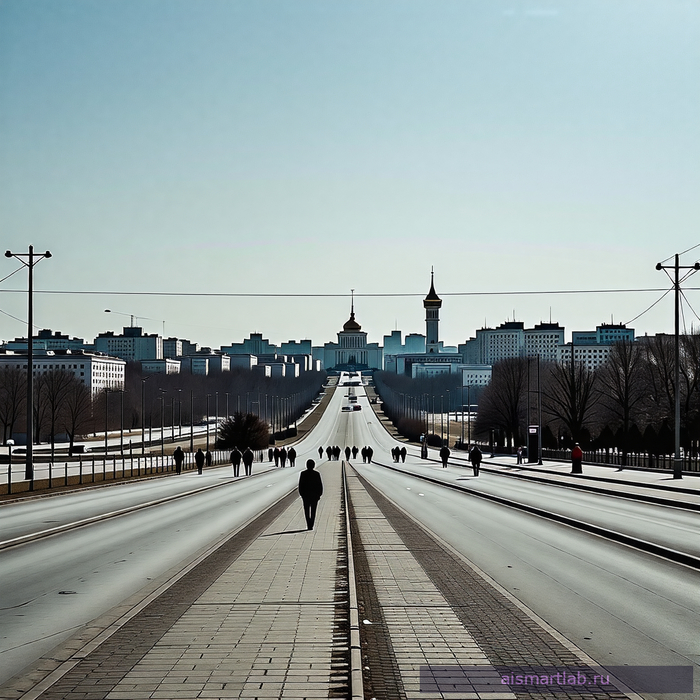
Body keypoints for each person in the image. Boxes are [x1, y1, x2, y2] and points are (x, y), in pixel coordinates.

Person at [298, 459, 323, 530]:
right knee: (313, 511)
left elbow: (300, 485)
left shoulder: (303, 474)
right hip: (314, 496)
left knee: (306, 511)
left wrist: (302, 494)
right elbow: (320, 485)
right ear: (313, 466)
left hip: (306, 496)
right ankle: (311, 524)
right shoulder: (316, 474)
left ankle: (308, 523)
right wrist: (319, 494)